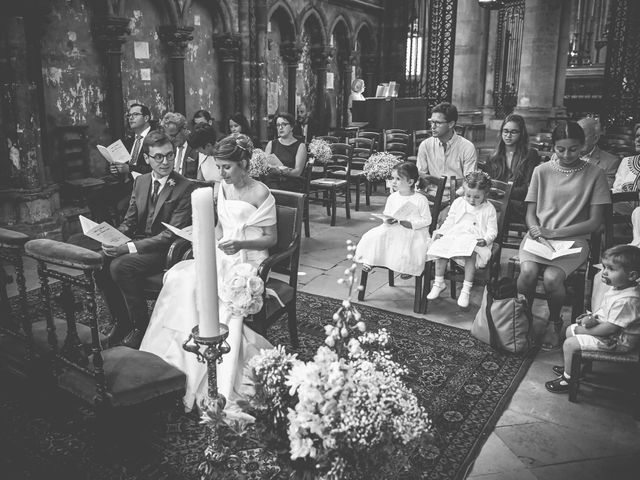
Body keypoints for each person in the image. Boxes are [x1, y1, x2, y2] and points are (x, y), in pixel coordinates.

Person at [140, 133, 277, 413]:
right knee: (182, 278)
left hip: (247, 258)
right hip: (223, 251)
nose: (221, 173)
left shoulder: (261, 193)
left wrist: (240, 243)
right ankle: (173, 360)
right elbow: (218, 229)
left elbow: (270, 239)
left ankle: (210, 361)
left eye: (227, 167)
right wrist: (206, 246)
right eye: (219, 166)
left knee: (208, 289)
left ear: (244, 163)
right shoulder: (220, 188)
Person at [95, 130, 195, 349]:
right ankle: (121, 322)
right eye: (158, 157)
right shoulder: (140, 181)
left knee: (121, 266)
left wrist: (127, 248)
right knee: (100, 261)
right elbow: (129, 221)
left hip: (166, 250)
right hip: (139, 243)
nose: (165, 161)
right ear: (147, 159)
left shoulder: (184, 187)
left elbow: (169, 235)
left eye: (169, 155)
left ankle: (141, 327)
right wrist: (114, 239)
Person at [517, 122, 610, 350]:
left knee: (551, 278)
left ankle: (554, 321)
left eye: (573, 149)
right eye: (560, 149)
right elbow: (530, 213)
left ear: (583, 146)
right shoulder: (541, 171)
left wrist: (554, 232)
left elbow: (595, 222)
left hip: (573, 241)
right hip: (539, 238)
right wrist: (534, 230)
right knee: (527, 273)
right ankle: (523, 319)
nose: (567, 155)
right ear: (553, 147)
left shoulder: (595, 174)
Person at [545, 245, 640, 394]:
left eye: (611, 269)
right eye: (604, 267)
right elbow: (608, 313)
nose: (604, 272)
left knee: (570, 343)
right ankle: (576, 367)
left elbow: (611, 328)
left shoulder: (627, 300)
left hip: (617, 341)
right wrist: (593, 318)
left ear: (632, 275)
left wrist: (585, 329)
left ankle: (568, 379)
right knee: (571, 330)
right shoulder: (620, 287)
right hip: (611, 332)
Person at [426, 171, 498, 308]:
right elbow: (450, 220)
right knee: (441, 247)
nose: (471, 200)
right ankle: (438, 282)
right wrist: (442, 232)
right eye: (468, 195)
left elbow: (492, 230)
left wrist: (486, 239)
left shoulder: (489, 209)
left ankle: (466, 289)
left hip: (476, 239)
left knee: (470, 252)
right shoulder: (459, 202)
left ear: (485, 195)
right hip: (456, 234)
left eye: (477, 197)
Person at [354, 162, 432, 278]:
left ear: (410, 182)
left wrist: (411, 224)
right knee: (374, 236)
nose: (393, 182)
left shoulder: (420, 199)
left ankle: (406, 267)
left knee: (408, 243)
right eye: (392, 178)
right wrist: (387, 220)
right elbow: (387, 214)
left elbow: (427, 220)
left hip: (414, 230)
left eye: (398, 179)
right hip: (395, 226)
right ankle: (372, 259)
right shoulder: (393, 197)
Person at [480, 114, 540, 223]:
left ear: (521, 133)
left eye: (513, 132)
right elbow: (489, 185)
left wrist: (504, 192)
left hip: (518, 205)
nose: (508, 135)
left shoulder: (530, 154)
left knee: (491, 208)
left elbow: (528, 189)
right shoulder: (492, 157)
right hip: (496, 201)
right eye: (505, 131)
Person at [416, 102, 478, 201]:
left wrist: (452, 200)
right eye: (432, 122)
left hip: (458, 198)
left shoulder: (467, 147)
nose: (433, 126)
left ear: (451, 124)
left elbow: (470, 182)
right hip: (430, 196)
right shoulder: (425, 145)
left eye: (438, 123)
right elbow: (421, 177)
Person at [264, 112, 307, 191]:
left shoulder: (300, 146)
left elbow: (297, 172)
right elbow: (265, 166)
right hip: (271, 181)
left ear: (291, 127)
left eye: (283, 124)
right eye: (278, 125)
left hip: (290, 182)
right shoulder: (271, 144)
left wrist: (282, 171)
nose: (280, 128)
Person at [578, 117, 621, 188]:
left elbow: (603, 190)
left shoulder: (611, 162)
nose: (577, 140)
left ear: (595, 138)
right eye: (574, 136)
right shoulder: (562, 157)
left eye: (582, 136)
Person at [611, 123, 640, 214]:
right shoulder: (626, 162)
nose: (638, 140)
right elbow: (617, 191)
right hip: (623, 218)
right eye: (637, 136)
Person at [161, 112, 198, 179]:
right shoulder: (168, 149)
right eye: (168, 136)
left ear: (184, 130)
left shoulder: (196, 148)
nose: (171, 139)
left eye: (174, 135)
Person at [188, 125, 222, 196]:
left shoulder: (226, 155)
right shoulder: (203, 155)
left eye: (198, 148)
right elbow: (199, 182)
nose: (197, 151)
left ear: (208, 145)